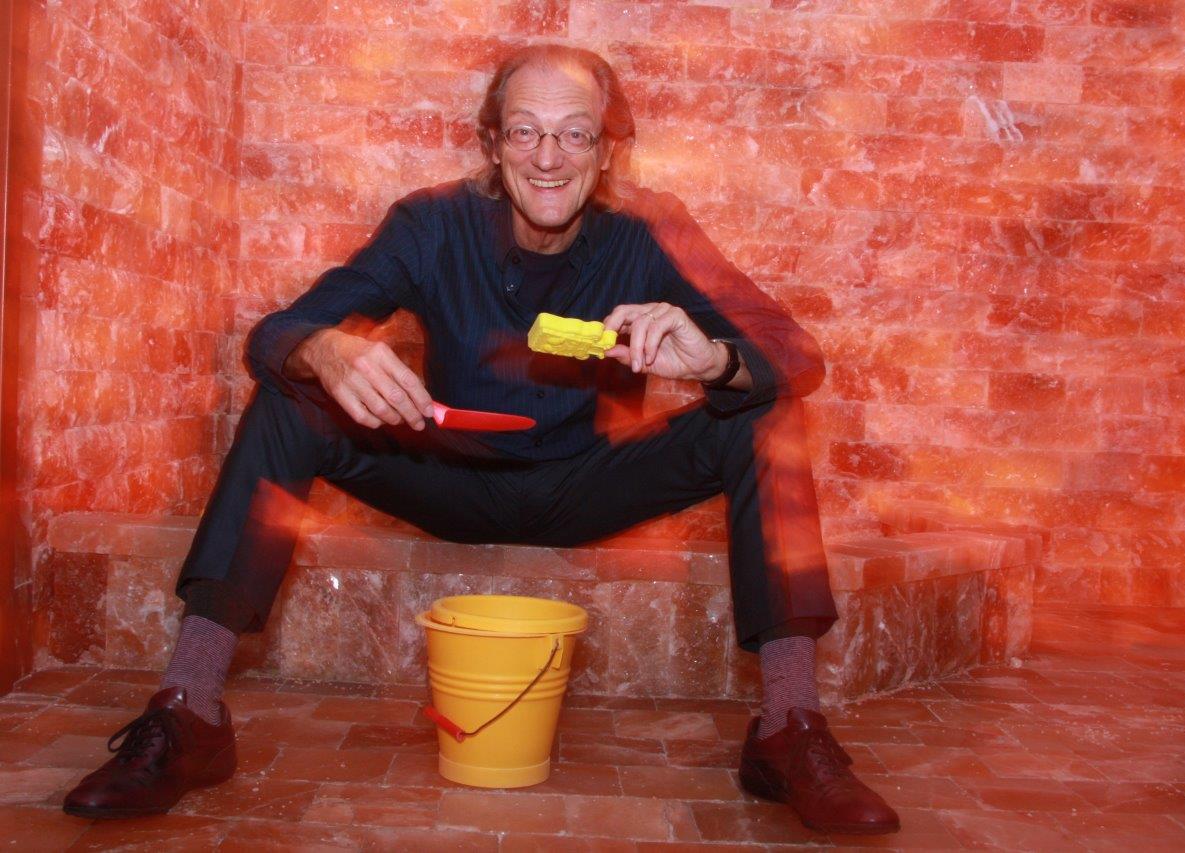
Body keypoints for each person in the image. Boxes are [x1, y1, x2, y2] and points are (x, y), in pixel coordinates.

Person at [61, 44, 899, 835]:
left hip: (587, 482)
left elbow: (797, 354)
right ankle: (190, 711)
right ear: (493, 145)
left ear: (607, 151)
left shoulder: (651, 230)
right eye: (525, 131)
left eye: (575, 134)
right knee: (291, 395)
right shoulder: (429, 223)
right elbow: (276, 333)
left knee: (761, 406)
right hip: (452, 474)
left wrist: (715, 359)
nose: (548, 157)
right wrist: (325, 347)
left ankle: (788, 726)